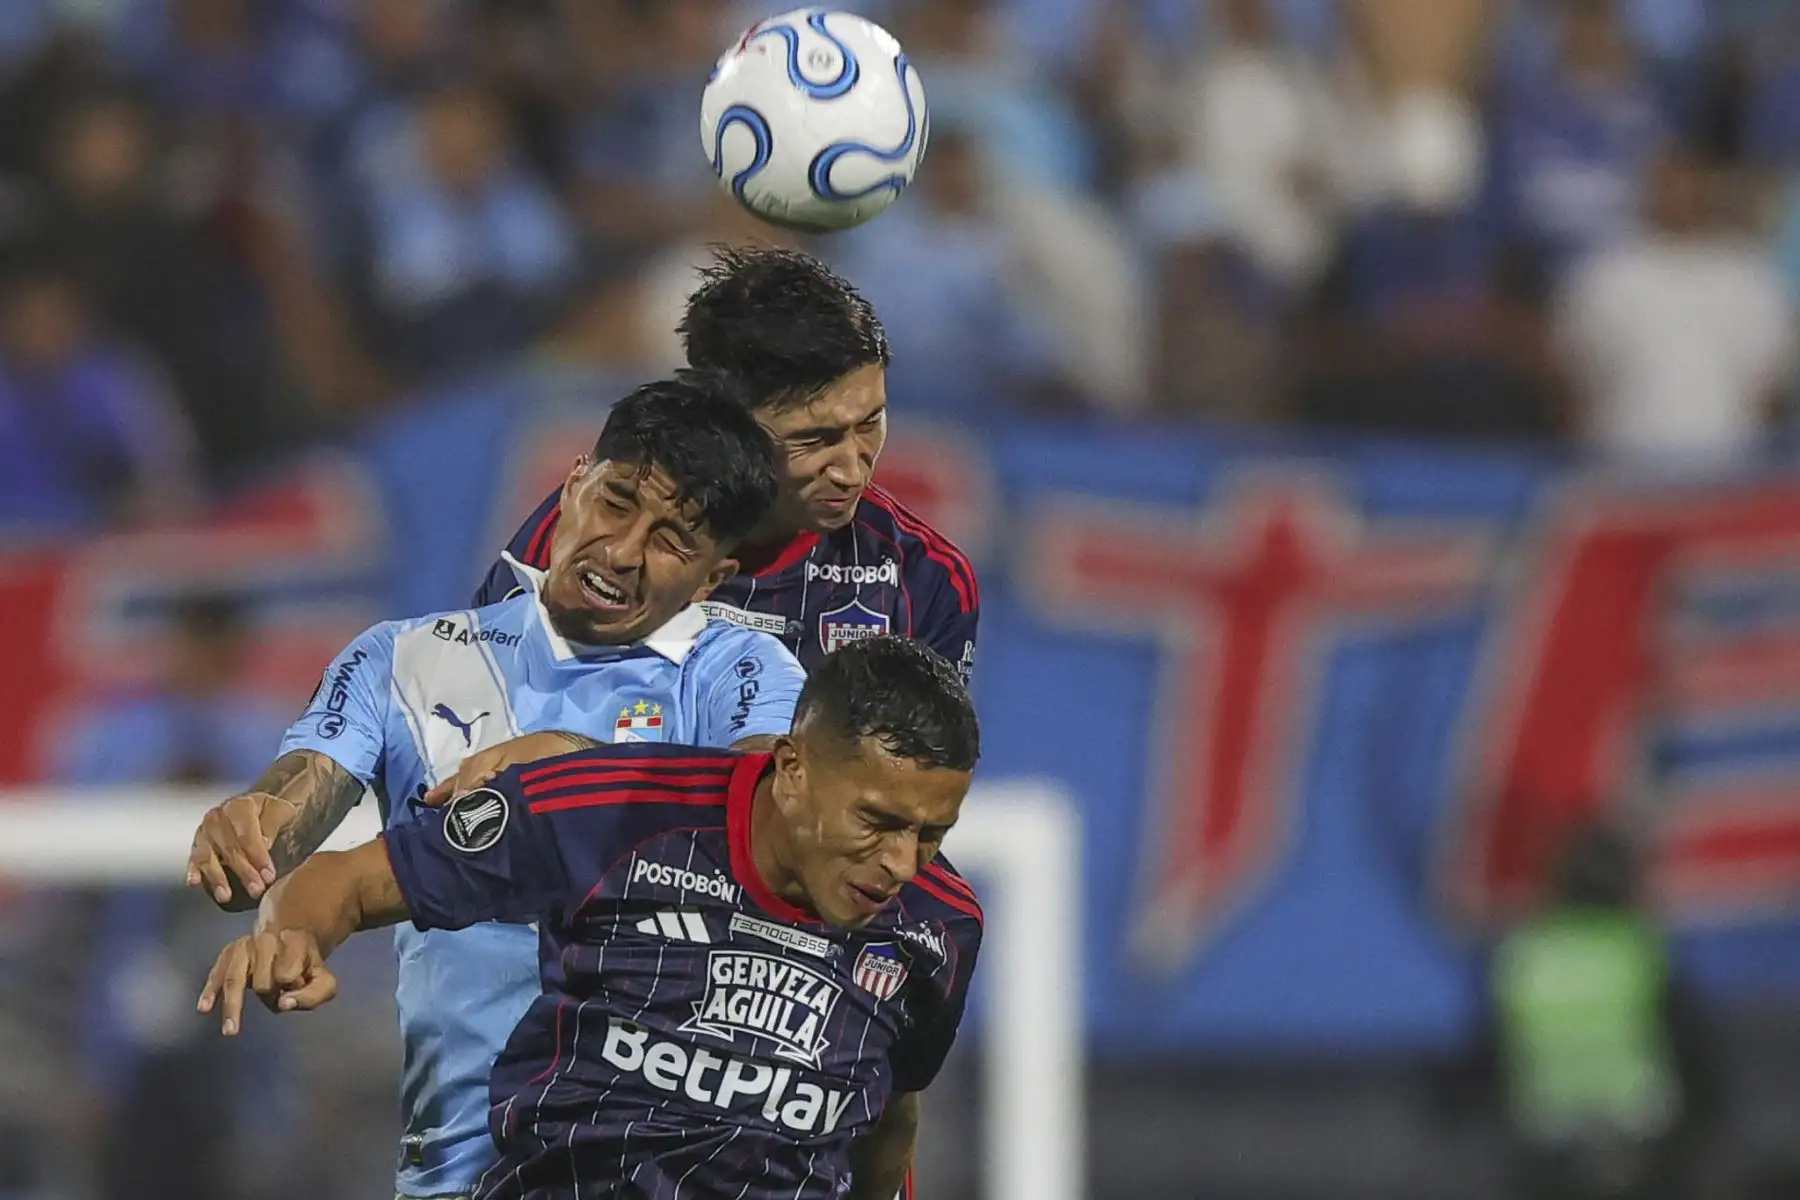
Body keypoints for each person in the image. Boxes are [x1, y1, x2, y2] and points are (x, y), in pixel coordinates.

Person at [186, 371, 809, 1200]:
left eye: (673, 539)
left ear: (711, 578)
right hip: (460, 1170)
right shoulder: (403, 659)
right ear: (575, 480)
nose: (623, 551)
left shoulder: (741, 672)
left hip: (662, 1164)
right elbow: (292, 812)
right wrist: (256, 856)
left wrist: (577, 769)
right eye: (617, 502)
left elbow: (771, 828)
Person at [200, 636, 983, 1200]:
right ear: (790, 771)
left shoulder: (940, 926)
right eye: (876, 822)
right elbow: (348, 881)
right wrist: (290, 935)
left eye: (931, 833)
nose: (902, 864)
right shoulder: (612, 809)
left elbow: (888, 1115)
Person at [476, 244, 980, 682]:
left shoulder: (923, 579)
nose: (852, 470)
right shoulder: (598, 536)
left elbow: (921, 785)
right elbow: (477, 707)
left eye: (870, 423)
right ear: (729, 420)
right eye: (814, 440)